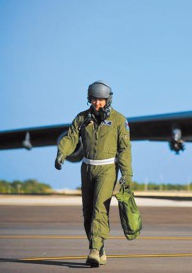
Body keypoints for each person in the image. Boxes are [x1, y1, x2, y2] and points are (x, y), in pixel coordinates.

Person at [54, 80, 133, 267]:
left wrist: (126, 175)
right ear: (89, 99)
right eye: (94, 99)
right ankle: (99, 247)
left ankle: (94, 250)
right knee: (88, 212)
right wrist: (61, 153)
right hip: (87, 168)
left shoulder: (119, 121)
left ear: (108, 100)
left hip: (107, 169)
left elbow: (125, 149)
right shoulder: (82, 119)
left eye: (101, 99)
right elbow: (71, 138)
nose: (97, 103)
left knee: (100, 208)